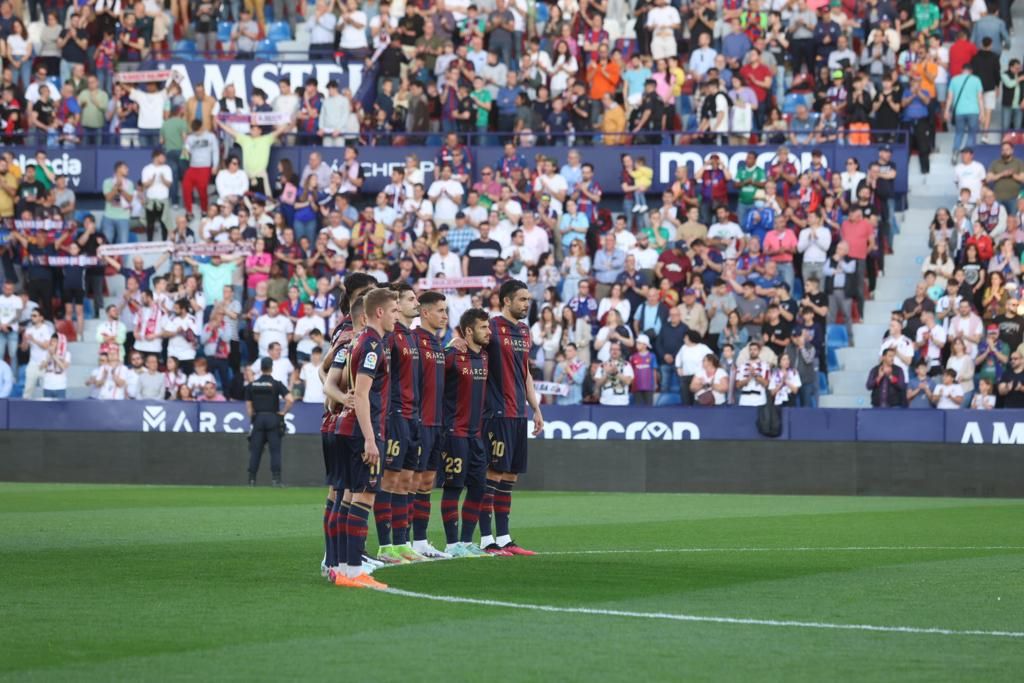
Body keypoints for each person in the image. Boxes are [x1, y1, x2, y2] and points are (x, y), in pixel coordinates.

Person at [448, 279, 543, 556]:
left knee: (509, 477)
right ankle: (486, 539)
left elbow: (525, 371)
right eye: (522, 299)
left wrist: (535, 407)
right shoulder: (491, 327)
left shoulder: (524, 331)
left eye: (528, 300)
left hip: (518, 413)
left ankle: (504, 538)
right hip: (496, 412)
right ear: (506, 301)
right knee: (492, 476)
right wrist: (455, 342)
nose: (526, 304)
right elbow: (468, 343)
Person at [332, 287, 398, 590]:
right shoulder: (372, 345)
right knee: (364, 497)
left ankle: (344, 568)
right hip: (363, 431)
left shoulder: (362, 341)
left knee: (351, 498)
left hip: (350, 430)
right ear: (379, 312)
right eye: (393, 310)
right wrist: (371, 439)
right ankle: (354, 571)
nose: (396, 316)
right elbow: (360, 394)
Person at [407, 290, 451, 559]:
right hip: (419, 421)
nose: (445, 316)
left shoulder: (436, 343)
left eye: (446, 311)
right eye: (441, 311)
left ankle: (420, 541)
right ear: (425, 312)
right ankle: (401, 542)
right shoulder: (414, 340)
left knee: (426, 483)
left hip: (436, 422)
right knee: (409, 482)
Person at [245, 356, 293, 488]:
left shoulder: (252, 385)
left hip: (258, 418)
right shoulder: (276, 384)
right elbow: (290, 399)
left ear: (261, 368)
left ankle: (251, 480)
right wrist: (283, 413)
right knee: (275, 451)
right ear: (271, 368)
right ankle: (276, 480)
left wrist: (253, 417)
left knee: (255, 451)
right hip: (273, 418)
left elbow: (249, 407)